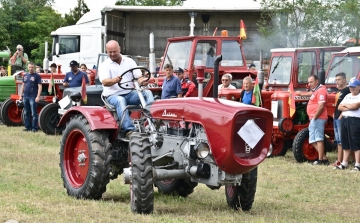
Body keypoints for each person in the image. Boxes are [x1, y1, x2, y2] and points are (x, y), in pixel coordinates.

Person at [98, 40, 154, 139]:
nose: (112, 54)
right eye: (109, 52)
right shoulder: (104, 65)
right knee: (120, 100)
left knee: (147, 93)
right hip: (112, 95)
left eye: (114, 51)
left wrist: (143, 81)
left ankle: (152, 121)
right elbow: (105, 82)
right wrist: (115, 80)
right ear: (106, 52)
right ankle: (129, 130)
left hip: (129, 93)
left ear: (119, 49)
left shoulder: (129, 61)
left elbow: (138, 77)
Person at [297, 74, 328, 165]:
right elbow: (312, 93)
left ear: (317, 81)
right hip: (313, 118)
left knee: (319, 138)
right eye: (309, 82)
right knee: (312, 140)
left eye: (311, 82)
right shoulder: (316, 90)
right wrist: (302, 94)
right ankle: (324, 158)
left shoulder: (321, 90)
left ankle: (321, 160)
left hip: (318, 118)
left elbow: (321, 105)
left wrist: (314, 118)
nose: (309, 84)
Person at [336, 78, 360, 170]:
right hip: (345, 120)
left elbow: (356, 106)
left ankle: (357, 164)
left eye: (354, 87)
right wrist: (349, 107)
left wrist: (346, 106)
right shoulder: (347, 96)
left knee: (355, 142)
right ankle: (344, 163)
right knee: (345, 142)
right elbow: (339, 107)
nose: (352, 89)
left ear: (359, 87)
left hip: (355, 120)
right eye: (350, 87)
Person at [331, 72, 350, 166]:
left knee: (342, 140)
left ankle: (345, 161)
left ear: (344, 80)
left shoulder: (348, 90)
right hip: (336, 117)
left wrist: (342, 114)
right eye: (336, 80)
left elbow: (348, 104)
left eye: (339, 80)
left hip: (342, 118)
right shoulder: (339, 91)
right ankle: (339, 161)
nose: (337, 82)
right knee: (338, 140)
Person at [19, 62, 42, 132]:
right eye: (29, 67)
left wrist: (38, 97)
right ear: (27, 67)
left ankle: (34, 128)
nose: (31, 69)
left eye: (32, 67)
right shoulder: (25, 76)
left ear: (34, 67)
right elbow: (23, 86)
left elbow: (40, 86)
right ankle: (27, 127)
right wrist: (20, 95)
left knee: (34, 113)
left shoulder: (37, 76)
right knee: (26, 112)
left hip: (33, 96)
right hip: (25, 96)